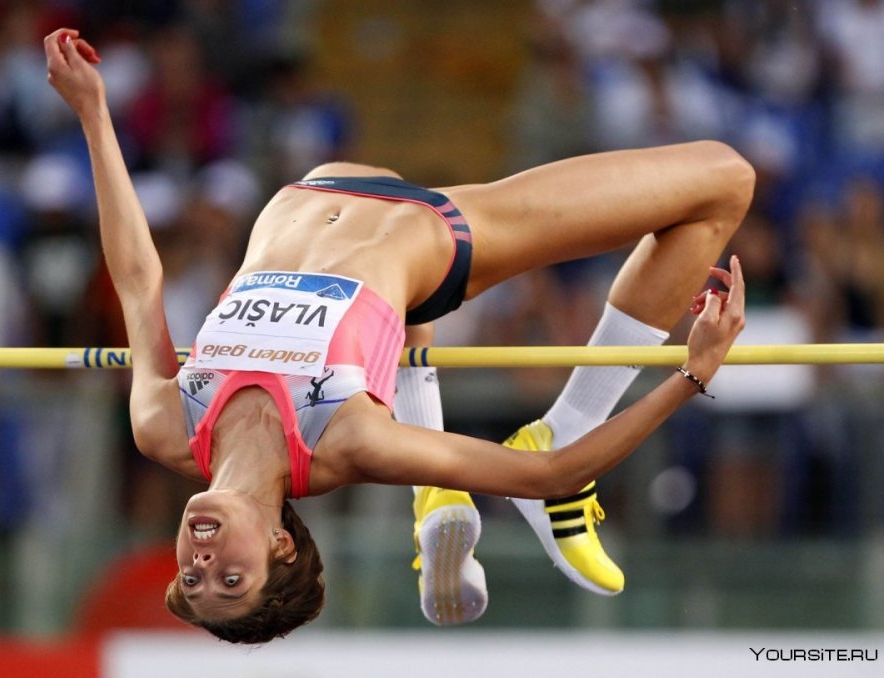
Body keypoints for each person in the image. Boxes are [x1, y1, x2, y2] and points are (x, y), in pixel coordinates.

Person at [43, 27, 753, 644]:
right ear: (281, 545)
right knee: (724, 180)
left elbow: (139, 280)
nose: (201, 564)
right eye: (231, 577)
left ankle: (432, 503)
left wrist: (94, 115)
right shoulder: (341, 443)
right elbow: (546, 477)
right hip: (440, 231)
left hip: (320, 190)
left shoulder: (165, 426)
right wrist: (691, 376)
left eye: (192, 579)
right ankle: (556, 428)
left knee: (401, 340)